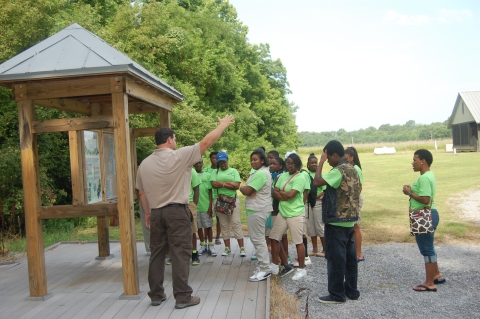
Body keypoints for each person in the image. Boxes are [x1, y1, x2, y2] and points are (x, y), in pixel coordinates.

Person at [136, 114, 234, 309]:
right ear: (170, 139)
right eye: (175, 139)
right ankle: (182, 297)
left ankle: (156, 295)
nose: (176, 141)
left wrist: (147, 213)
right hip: (176, 212)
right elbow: (207, 142)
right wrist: (222, 125)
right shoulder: (180, 156)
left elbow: (141, 193)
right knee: (180, 253)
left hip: (155, 213)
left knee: (157, 254)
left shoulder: (144, 164)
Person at [313, 140, 360, 304]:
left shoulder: (338, 170)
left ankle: (336, 294)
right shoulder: (353, 169)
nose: (328, 162)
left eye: (328, 158)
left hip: (336, 222)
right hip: (350, 220)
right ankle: (352, 291)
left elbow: (316, 181)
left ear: (333, 155)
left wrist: (320, 162)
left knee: (335, 259)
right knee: (350, 259)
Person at [402, 149, 444, 292]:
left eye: (414, 160)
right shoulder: (429, 175)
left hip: (424, 216)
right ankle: (436, 274)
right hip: (430, 214)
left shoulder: (424, 178)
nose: (412, 163)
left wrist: (409, 192)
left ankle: (429, 282)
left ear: (423, 161)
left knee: (426, 249)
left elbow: (426, 200)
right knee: (429, 246)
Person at [271, 153, 308, 280]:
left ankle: (301, 269)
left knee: (298, 242)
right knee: (274, 238)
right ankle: (275, 265)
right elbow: (274, 192)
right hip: (283, 212)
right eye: (288, 163)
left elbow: (291, 195)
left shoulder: (300, 177)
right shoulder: (282, 176)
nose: (290, 165)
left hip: (295, 213)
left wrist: (281, 194)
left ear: (297, 164)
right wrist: (283, 194)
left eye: (292, 163)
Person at [240, 149, 273, 281]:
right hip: (256, 209)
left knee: (258, 239)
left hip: (258, 209)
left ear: (262, 160)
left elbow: (247, 190)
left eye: (256, 159)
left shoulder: (261, 173)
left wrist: (243, 188)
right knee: (257, 238)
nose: (253, 162)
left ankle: (265, 268)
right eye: (252, 160)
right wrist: (246, 188)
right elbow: (248, 190)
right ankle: (263, 265)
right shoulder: (259, 172)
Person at [210, 151, 246, 257]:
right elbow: (214, 184)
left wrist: (223, 184)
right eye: (220, 162)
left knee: (236, 223)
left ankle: (242, 248)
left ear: (228, 160)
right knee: (224, 225)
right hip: (220, 201)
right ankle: (227, 248)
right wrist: (229, 183)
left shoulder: (233, 171)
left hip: (232, 200)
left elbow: (236, 186)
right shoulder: (215, 172)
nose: (222, 164)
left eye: (224, 162)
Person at [344, 147, 364, 262]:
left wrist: (353, 201)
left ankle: (359, 253)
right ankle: (353, 251)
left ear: (353, 158)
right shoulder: (351, 167)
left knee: (356, 226)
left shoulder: (356, 169)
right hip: (351, 200)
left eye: (347, 158)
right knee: (352, 226)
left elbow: (359, 187)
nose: (345, 160)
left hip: (355, 200)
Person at [305, 153, 326, 258]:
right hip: (308, 204)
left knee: (319, 226)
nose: (314, 164)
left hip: (317, 203)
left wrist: (317, 197)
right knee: (310, 226)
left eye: (315, 163)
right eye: (311, 163)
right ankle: (314, 249)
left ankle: (325, 249)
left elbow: (325, 190)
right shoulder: (306, 175)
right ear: (308, 165)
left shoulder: (320, 175)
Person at [195, 160, 216, 257]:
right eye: (196, 163)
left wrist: (210, 206)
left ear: (202, 164)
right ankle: (203, 245)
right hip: (196, 207)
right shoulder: (191, 174)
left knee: (208, 227)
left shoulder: (207, 175)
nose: (198, 165)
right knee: (198, 227)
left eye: (200, 163)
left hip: (205, 206)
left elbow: (210, 192)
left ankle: (211, 245)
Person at [204, 152, 222, 245]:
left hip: (219, 197)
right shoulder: (206, 170)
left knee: (219, 218)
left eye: (216, 158)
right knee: (208, 217)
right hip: (209, 198)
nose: (214, 160)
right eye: (213, 158)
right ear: (210, 159)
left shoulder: (221, 171)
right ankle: (206, 238)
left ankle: (218, 237)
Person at [189, 168, 201, 265]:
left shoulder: (191, 171)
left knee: (192, 230)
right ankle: (175, 255)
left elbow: (196, 189)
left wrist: (194, 204)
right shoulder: (173, 168)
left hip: (189, 203)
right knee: (175, 231)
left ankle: (194, 253)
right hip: (175, 203)